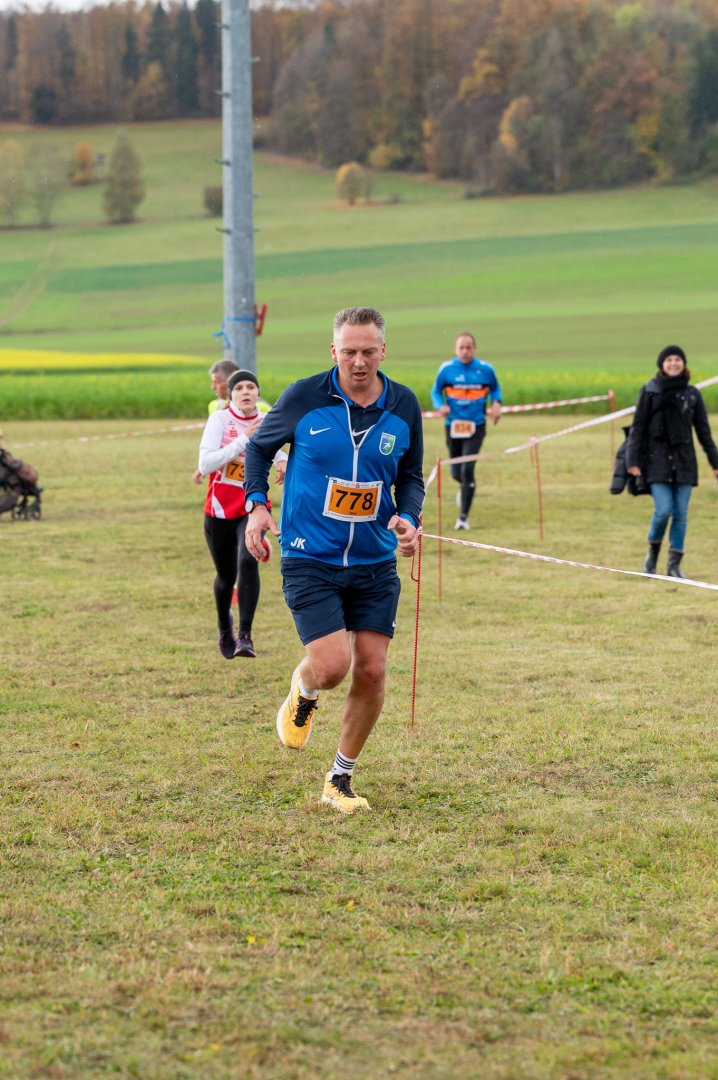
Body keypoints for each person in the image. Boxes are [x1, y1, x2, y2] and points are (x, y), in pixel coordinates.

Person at [243, 306, 424, 815]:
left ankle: (339, 779)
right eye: (349, 352)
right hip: (310, 557)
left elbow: (411, 476)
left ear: (383, 351)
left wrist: (409, 518)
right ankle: (304, 687)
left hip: (374, 560)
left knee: (372, 670)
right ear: (333, 351)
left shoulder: (404, 405)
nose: (359, 361)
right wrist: (257, 505)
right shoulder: (304, 397)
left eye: (368, 351)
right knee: (331, 667)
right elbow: (258, 450)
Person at [198, 368, 287, 659]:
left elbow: (276, 449)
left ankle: (245, 637)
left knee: (248, 561)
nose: (245, 392)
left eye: (250, 387)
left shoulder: (267, 420)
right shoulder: (220, 420)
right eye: (239, 388)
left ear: (258, 393)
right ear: (230, 394)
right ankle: (225, 627)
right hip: (219, 510)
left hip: (253, 507)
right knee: (226, 577)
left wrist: (283, 460)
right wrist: (243, 441)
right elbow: (206, 463)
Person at [626, 345, 718, 578]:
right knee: (664, 510)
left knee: (680, 514)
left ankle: (674, 566)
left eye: (678, 359)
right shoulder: (651, 390)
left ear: (683, 364)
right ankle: (652, 554)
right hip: (656, 461)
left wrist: (715, 462)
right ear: (662, 364)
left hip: (684, 461)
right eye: (669, 360)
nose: (674, 363)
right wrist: (632, 459)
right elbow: (638, 427)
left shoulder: (692, 394)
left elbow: (704, 433)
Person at [430, 332, 502, 530]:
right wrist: (440, 406)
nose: (465, 351)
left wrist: (497, 403)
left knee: (467, 468)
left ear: (474, 349)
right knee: (456, 472)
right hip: (453, 426)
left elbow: (495, 388)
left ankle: (463, 518)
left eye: (468, 347)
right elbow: (435, 391)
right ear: (456, 350)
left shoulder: (485, 369)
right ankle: (465, 487)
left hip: (476, 426)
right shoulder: (447, 369)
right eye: (461, 347)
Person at [192, 360, 239, 484]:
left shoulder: (260, 409)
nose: (212, 387)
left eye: (216, 382)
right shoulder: (215, 407)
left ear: (229, 382)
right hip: (221, 480)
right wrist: (205, 466)